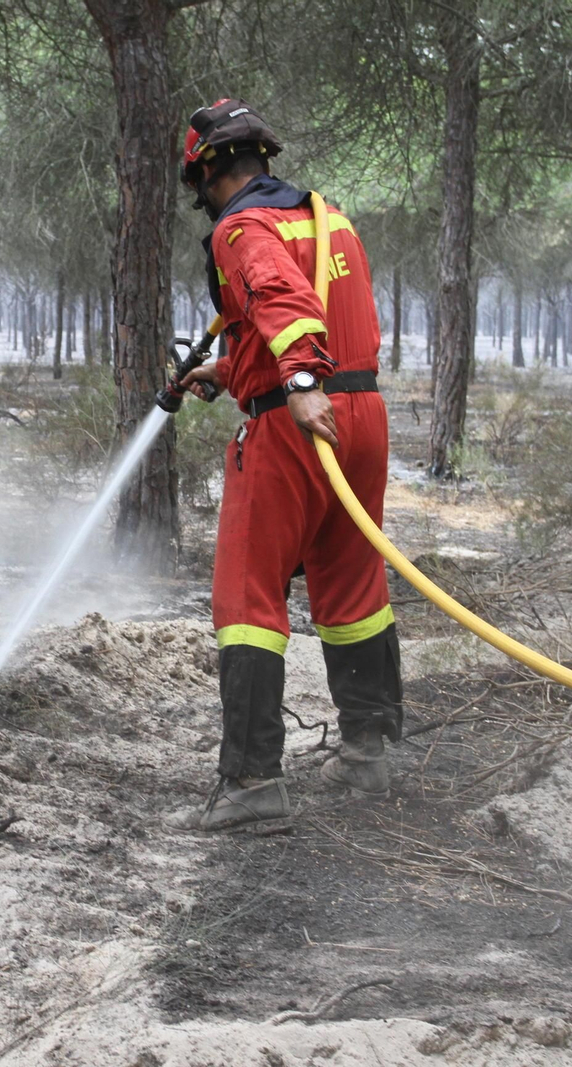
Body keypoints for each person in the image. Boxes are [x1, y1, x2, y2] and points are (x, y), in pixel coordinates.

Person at [163, 99, 402, 832]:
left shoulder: (243, 227)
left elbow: (279, 298)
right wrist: (233, 369)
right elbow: (325, 319)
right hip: (359, 416)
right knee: (352, 581)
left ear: (210, 170)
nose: (201, 203)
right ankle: (374, 749)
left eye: (198, 186)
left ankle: (251, 784)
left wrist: (295, 385)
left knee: (247, 596)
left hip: (295, 427)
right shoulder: (329, 219)